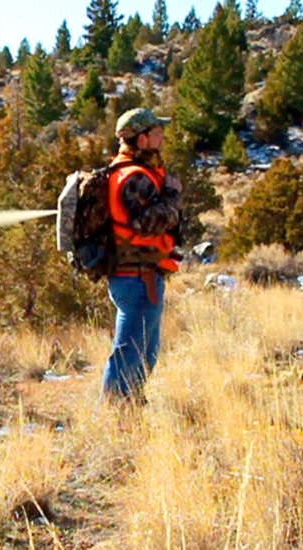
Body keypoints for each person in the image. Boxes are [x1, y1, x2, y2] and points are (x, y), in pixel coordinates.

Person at [102, 108, 183, 403]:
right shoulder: (135, 177)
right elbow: (147, 223)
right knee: (130, 352)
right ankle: (114, 418)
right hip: (136, 276)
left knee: (143, 352)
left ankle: (129, 412)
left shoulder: (127, 170)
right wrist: (173, 195)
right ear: (142, 138)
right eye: (157, 131)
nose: (162, 136)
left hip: (137, 275)